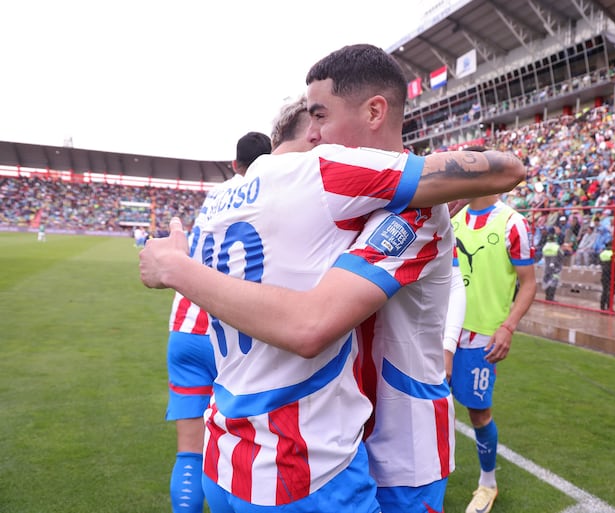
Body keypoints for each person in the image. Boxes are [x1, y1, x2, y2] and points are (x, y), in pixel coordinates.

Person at [140, 44, 527, 513]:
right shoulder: (349, 201)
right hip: (346, 434)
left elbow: (312, 324)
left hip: (401, 444)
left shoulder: (414, 208)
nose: (314, 135)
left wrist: (180, 271)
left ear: (374, 111)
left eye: (321, 116)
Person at [164, 131, 271, 513]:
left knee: (190, 453)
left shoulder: (216, 195)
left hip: (185, 327)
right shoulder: (273, 192)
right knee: (240, 452)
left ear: (233, 164)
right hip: (234, 333)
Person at [445, 190, 536, 513]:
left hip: (481, 337)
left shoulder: (513, 223)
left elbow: (528, 282)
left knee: (478, 412)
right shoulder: (451, 218)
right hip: (442, 333)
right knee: (432, 407)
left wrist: (508, 326)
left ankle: (488, 484)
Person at [599, 240, 615, 310]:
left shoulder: (602, 253)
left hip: (604, 274)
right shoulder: (614, 254)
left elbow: (600, 263)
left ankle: (602, 307)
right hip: (613, 275)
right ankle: (609, 307)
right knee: (611, 292)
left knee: (605, 291)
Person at [541, 232, 563, 301]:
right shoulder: (556, 247)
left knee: (547, 281)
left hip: (547, 267)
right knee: (554, 282)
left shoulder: (545, 247)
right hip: (555, 267)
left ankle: (547, 297)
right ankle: (551, 298)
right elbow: (561, 255)